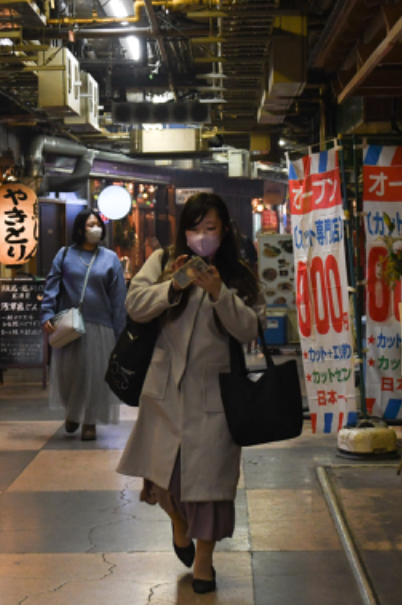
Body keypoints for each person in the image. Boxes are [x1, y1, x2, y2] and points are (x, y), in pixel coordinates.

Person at [117, 193, 264, 594]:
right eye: (195, 228)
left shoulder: (237, 273)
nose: (202, 236)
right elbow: (135, 305)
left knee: (210, 487)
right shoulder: (164, 261)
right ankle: (178, 524)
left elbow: (250, 329)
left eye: (211, 228)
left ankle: (204, 560)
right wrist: (173, 285)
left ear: (225, 230)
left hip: (214, 396)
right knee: (168, 481)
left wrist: (219, 293)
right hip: (165, 392)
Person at [41, 209, 128, 441]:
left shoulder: (110, 259)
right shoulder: (65, 254)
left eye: (97, 224)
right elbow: (52, 286)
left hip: (102, 326)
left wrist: (121, 334)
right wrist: (47, 314)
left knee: (95, 376)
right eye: (90, 225)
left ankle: (90, 422)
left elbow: (118, 299)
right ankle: (72, 413)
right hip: (70, 326)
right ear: (80, 229)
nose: (95, 228)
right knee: (71, 374)